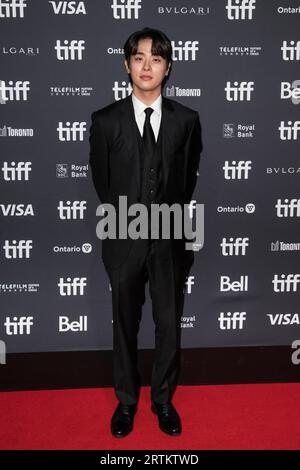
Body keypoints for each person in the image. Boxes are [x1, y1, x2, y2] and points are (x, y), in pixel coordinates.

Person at [89, 27, 203, 438]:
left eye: (156, 58)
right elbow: (102, 182)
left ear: (167, 66)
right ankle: (126, 402)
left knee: (169, 322)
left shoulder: (187, 120)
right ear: (127, 65)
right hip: (122, 235)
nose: (147, 65)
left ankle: (163, 400)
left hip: (171, 237)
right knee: (124, 322)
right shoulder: (105, 120)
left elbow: (187, 180)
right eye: (139, 57)